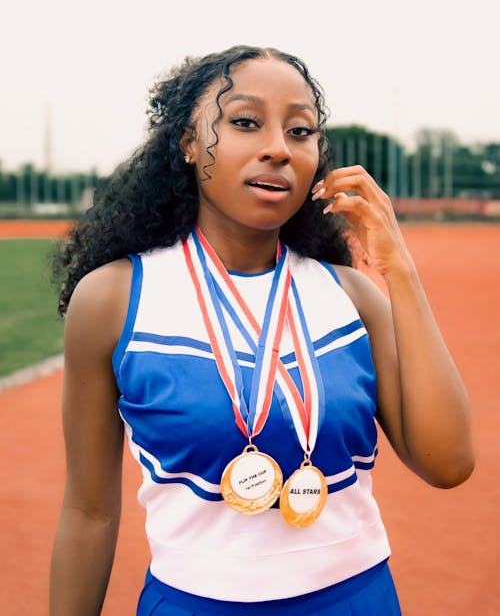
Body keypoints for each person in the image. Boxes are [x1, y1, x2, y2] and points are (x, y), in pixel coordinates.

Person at [50, 45, 474, 615]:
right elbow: (88, 511)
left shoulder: (352, 297)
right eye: (245, 122)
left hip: (356, 599)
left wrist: (399, 270)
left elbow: (449, 463)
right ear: (189, 143)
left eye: (301, 131)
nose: (278, 147)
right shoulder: (114, 298)